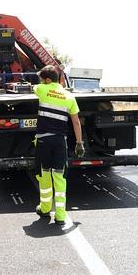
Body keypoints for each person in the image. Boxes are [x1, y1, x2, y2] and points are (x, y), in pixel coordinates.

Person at [33, 65, 84, 226]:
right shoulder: (69, 97)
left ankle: (45, 208)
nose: (41, 80)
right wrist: (79, 143)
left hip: (44, 141)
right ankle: (61, 215)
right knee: (60, 177)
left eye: (42, 78)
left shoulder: (41, 89)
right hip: (60, 142)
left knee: (45, 175)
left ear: (47, 80)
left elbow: (34, 87)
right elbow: (76, 122)